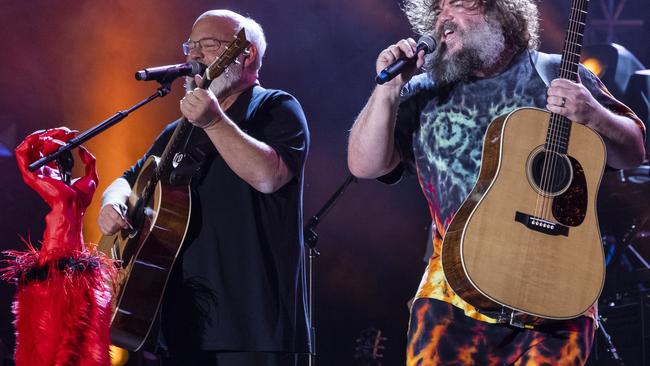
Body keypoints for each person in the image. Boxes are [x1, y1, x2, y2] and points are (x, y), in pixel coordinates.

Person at [347, 0, 646, 364]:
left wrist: (594, 114)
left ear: (500, 12)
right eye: (437, 10)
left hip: (558, 294)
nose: (443, 20)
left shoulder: (558, 73)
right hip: (453, 295)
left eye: (457, 6)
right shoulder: (422, 92)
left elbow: (632, 150)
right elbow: (364, 165)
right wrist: (388, 89)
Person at [98, 10, 310, 366]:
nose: (194, 56)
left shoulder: (276, 107)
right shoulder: (176, 131)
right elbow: (127, 179)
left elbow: (268, 176)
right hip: (179, 326)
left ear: (246, 54)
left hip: (251, 326)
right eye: (190, 46)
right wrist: (113, 201)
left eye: (208, 45)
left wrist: (213, 120)